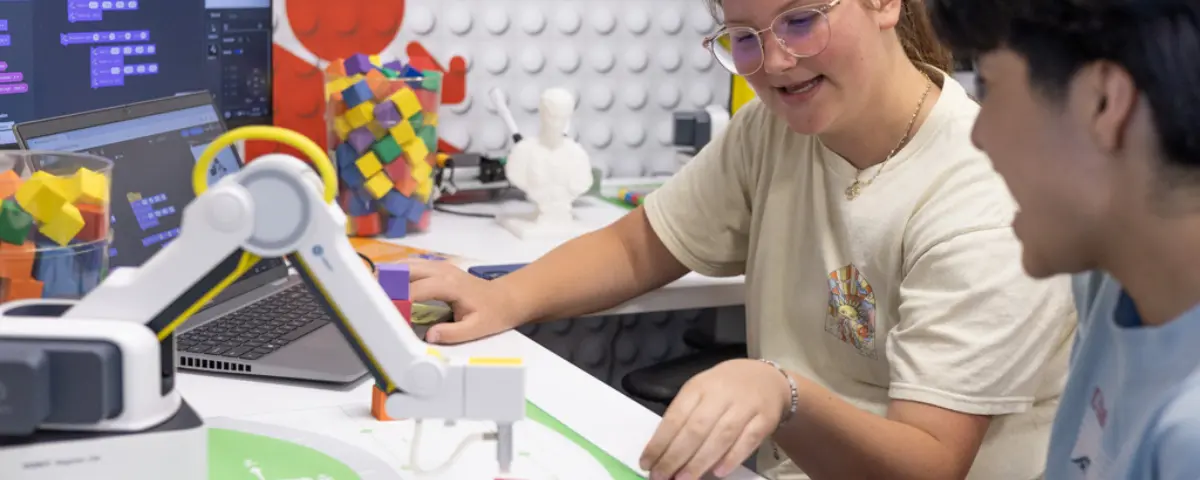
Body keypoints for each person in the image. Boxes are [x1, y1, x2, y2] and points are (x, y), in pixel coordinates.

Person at [407, 0, 1076, 478]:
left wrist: (781, 393)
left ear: (882, 3)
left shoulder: (983, 194)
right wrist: (502, 296)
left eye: (801, 21)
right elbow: (641, 243)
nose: (776, 61)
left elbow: (929, 462)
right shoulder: (771, 130)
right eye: (744, 37)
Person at [929, 1, 1200, 479]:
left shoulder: (1188, 438)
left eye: (989, 85)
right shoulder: (1112, 288)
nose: (979, 135)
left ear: (1103, 102)